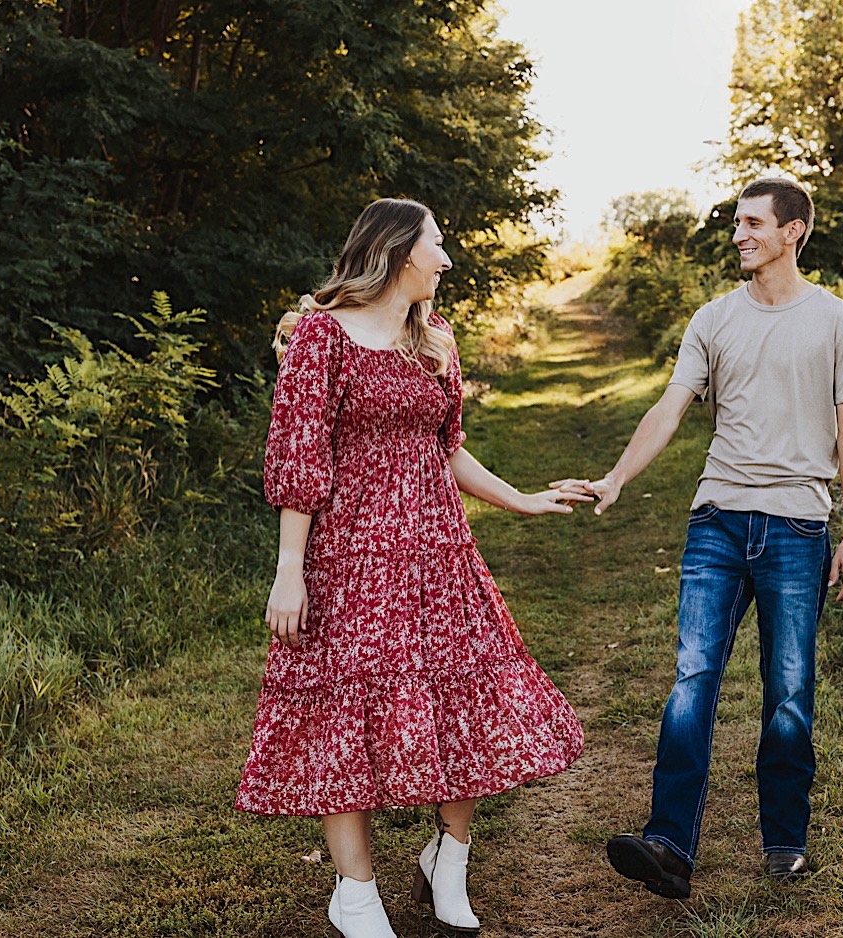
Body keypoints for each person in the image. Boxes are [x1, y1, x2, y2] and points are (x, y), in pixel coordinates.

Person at [235, 197, 589, 937]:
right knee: (343, 711)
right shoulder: (321, 339)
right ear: (398, 251)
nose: (448, 260)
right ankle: (355, 893)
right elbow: (300, 459)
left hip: (437, 552)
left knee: (466, 695)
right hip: (348, 558)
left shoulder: (437, 342)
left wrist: (521, 500)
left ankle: (448, 856)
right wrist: (289, 570)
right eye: (438, 246)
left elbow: (447, 445)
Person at [559, 177, 843, 898]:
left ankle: (784, 843)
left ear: (793, 231)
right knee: (692, 679)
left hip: (798, 525)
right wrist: (616, 478)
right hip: (717, 521)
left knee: (789, 690)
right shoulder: (714, 318)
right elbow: (670, 409)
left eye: (753, 223)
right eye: (737, 223)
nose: (739, 234)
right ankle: (669, 844)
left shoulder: (836, 321)